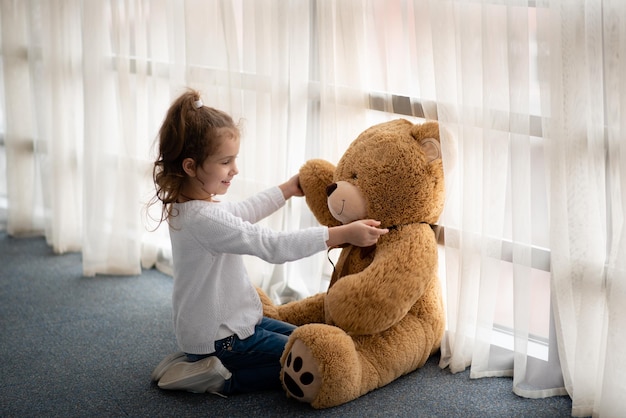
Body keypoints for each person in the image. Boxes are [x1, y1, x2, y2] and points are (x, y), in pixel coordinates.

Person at [149, 88, 388, 396]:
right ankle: (219, 378)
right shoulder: (204, 219)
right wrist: (341, 234)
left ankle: (195, 360)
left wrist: (286, 190)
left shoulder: (192, 208)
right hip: (224, 339)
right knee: (311, 364)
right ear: (191, 167)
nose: (235, 170)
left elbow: (242, 213)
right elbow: (271, 245)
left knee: (307, 340)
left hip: (231, 327)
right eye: (226, 162)